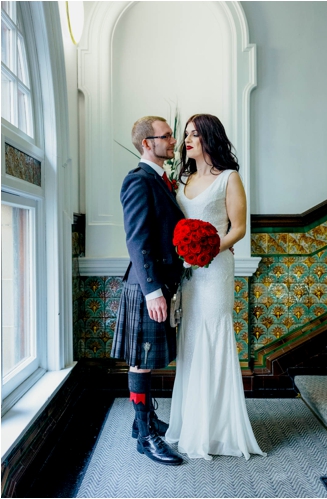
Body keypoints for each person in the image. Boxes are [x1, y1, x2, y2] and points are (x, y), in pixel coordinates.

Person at [164, 113, 265, 460]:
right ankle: (192, 423)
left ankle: (219, 430)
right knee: (191, 339)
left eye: (194, 135)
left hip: (216, 268)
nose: (186, 140)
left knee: (213, 336)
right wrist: (185, 253)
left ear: (209, 139)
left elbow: (238, 228)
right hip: (189, 273)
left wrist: (209, 248)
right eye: (186, 134)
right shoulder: (181, 182)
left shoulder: (229, 178)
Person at [113, 116, 186, 465]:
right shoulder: (138, 180)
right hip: (147, 287)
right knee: (140, 362)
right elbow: (137, 239)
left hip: (160, 283)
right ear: (147, 143)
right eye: (167, 136)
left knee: (148, 361)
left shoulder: (160, 180)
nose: (173, 141)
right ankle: (145, 436)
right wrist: (153, 291)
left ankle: (145, 420)